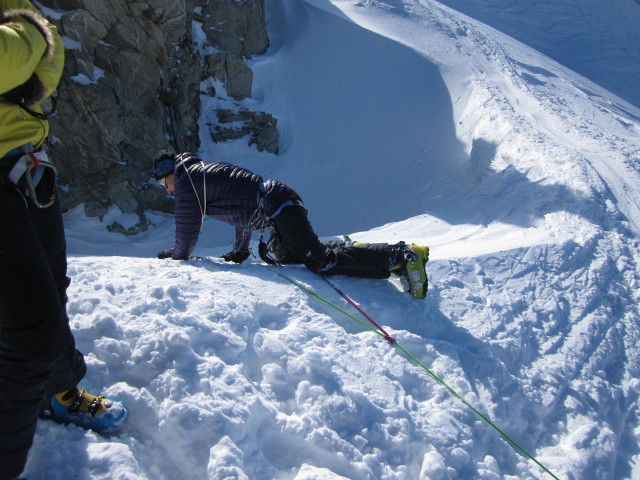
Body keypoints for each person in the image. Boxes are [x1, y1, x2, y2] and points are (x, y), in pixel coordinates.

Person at [0, 3, 127, 479]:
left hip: (25, 165)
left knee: (52, 291)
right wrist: (33, 32)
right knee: (30, 333)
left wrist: (28, 41)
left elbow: (44, 67)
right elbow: (22, 57)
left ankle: (59, 392)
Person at [152, 150, 429, 298]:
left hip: (280, 207)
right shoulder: (200, 174)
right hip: (281, 203)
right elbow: (240, 211)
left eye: (164, 184)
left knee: (320, 261)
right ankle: (375, 257)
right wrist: (239, 250)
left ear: (168, 174)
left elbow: (187, 229)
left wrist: (177, 256)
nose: (167, 191)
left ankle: (402, 255)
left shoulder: (188, 179)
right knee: (289, 256)